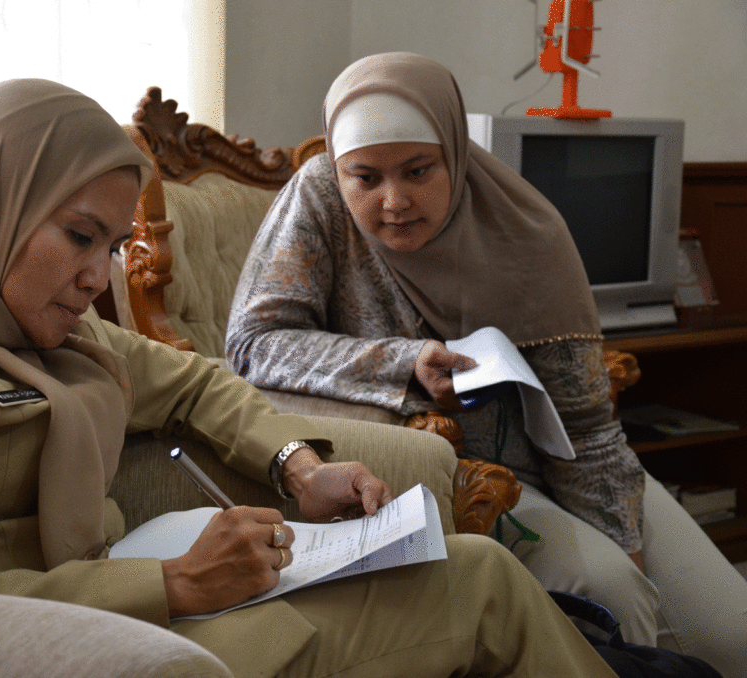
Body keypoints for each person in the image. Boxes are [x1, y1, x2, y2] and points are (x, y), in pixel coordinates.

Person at [0, 78, 620, 678]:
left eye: (110, 247)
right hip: (74, 648)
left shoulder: (35, 322)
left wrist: (300, 464)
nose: (97, 276)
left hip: (154, 615)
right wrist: (174, 583)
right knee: (485, 595)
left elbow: (194, 383)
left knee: (482, 570)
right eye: (78, 236)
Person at [226, 52, 747, 677]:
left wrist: (626, 537)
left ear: (454, 153)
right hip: (441, 478)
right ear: (339, 172)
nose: (394, 201)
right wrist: (403, 361)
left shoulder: (527, 231)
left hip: (565, 461)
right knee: (613, 594)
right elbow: (255, 341)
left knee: (731, 632)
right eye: (365, 178)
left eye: (418, 171)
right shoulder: (317, 197)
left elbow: (584, 426)